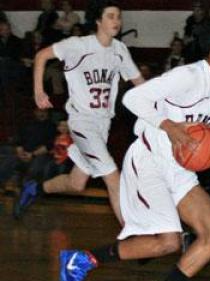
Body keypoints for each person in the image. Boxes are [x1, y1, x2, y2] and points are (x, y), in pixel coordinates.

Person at [57, 19, 210, 281]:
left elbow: (202, 125)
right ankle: (83, 259)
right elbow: (133, 98)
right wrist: (168, 126)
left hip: (180, 167)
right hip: (150, 160)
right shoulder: (187, 76)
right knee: (168, 242)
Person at [14, 0, 144, 222]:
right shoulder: (78, 45)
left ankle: (35, 188)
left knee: (76, 183)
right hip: (82, 123)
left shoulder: (120, 50)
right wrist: (38, 91)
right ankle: (132, 232)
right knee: (113, 177)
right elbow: (42, 55)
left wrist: (163, 102)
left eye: (118, 17)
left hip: (103, 125)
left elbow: (139, 82)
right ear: (97, 21)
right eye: (111, 16)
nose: (117, 21)